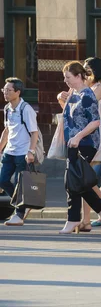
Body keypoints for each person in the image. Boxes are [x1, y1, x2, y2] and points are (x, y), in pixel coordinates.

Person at [57, 61, 101, 234]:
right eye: (64, 77)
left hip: (85, 143)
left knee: (72, 182)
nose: (65, 80)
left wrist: (78, 136)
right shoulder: (74, 94)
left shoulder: (87, 95)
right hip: (73, 143)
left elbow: (95, 121)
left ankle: (73, 219)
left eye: (68, 77)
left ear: (78, 76)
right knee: (77, 182)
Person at [1, 78, 39, 226]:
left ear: (17, 92)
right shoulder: (7, 108)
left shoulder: (26, 109)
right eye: (4, 90)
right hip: (9, 151)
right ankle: (22, 204)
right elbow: (7, 130)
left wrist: (31, 151)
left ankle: (19, 214)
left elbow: (34, 132)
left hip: (23, 152)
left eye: (9, 90)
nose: (5, 93)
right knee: (3, 180)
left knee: (20, 184)